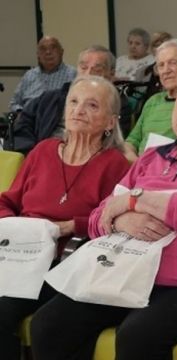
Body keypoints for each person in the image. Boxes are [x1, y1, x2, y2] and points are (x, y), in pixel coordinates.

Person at [30, 63, 177, 360]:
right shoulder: (154, 157)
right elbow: (96, 218)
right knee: (49, 325)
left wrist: (134, 200)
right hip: (124, 272)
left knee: (137, 336)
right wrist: (124, 221)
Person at [0, 75, 130, 360]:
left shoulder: (115, 164)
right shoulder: (42, 151)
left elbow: (114, 222)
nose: (78, 110)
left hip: (66, 264)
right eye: (73, 102)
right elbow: (6, 202)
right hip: (19, 257)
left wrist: (72, 226)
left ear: (110, 122)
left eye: (91, 105)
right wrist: (13, 226)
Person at [12, 45, 132, 153]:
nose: (88, 74)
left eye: (97, 70)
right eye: (83, 67)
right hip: (41, 155)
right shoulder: (51, 97)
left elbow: (112, 141)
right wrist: (30, 153)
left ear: (111, 74)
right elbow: (22, 126)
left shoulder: (117, 104)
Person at [124, 38, 177, 162]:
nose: (166, 70)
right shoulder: (153, 101)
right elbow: (131, 142)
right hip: (139, 169)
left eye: (173, 63)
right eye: (161, 65)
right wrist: (137, 164)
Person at [9, 36, 76, 112]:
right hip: (30, 120)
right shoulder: (29, 75)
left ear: (61, 52)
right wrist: (21, 113)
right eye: (43, 49)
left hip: (58, 120)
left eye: (53, 47)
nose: (48, 52)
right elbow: (14, 103)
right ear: (38, 55)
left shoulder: (72, 75)